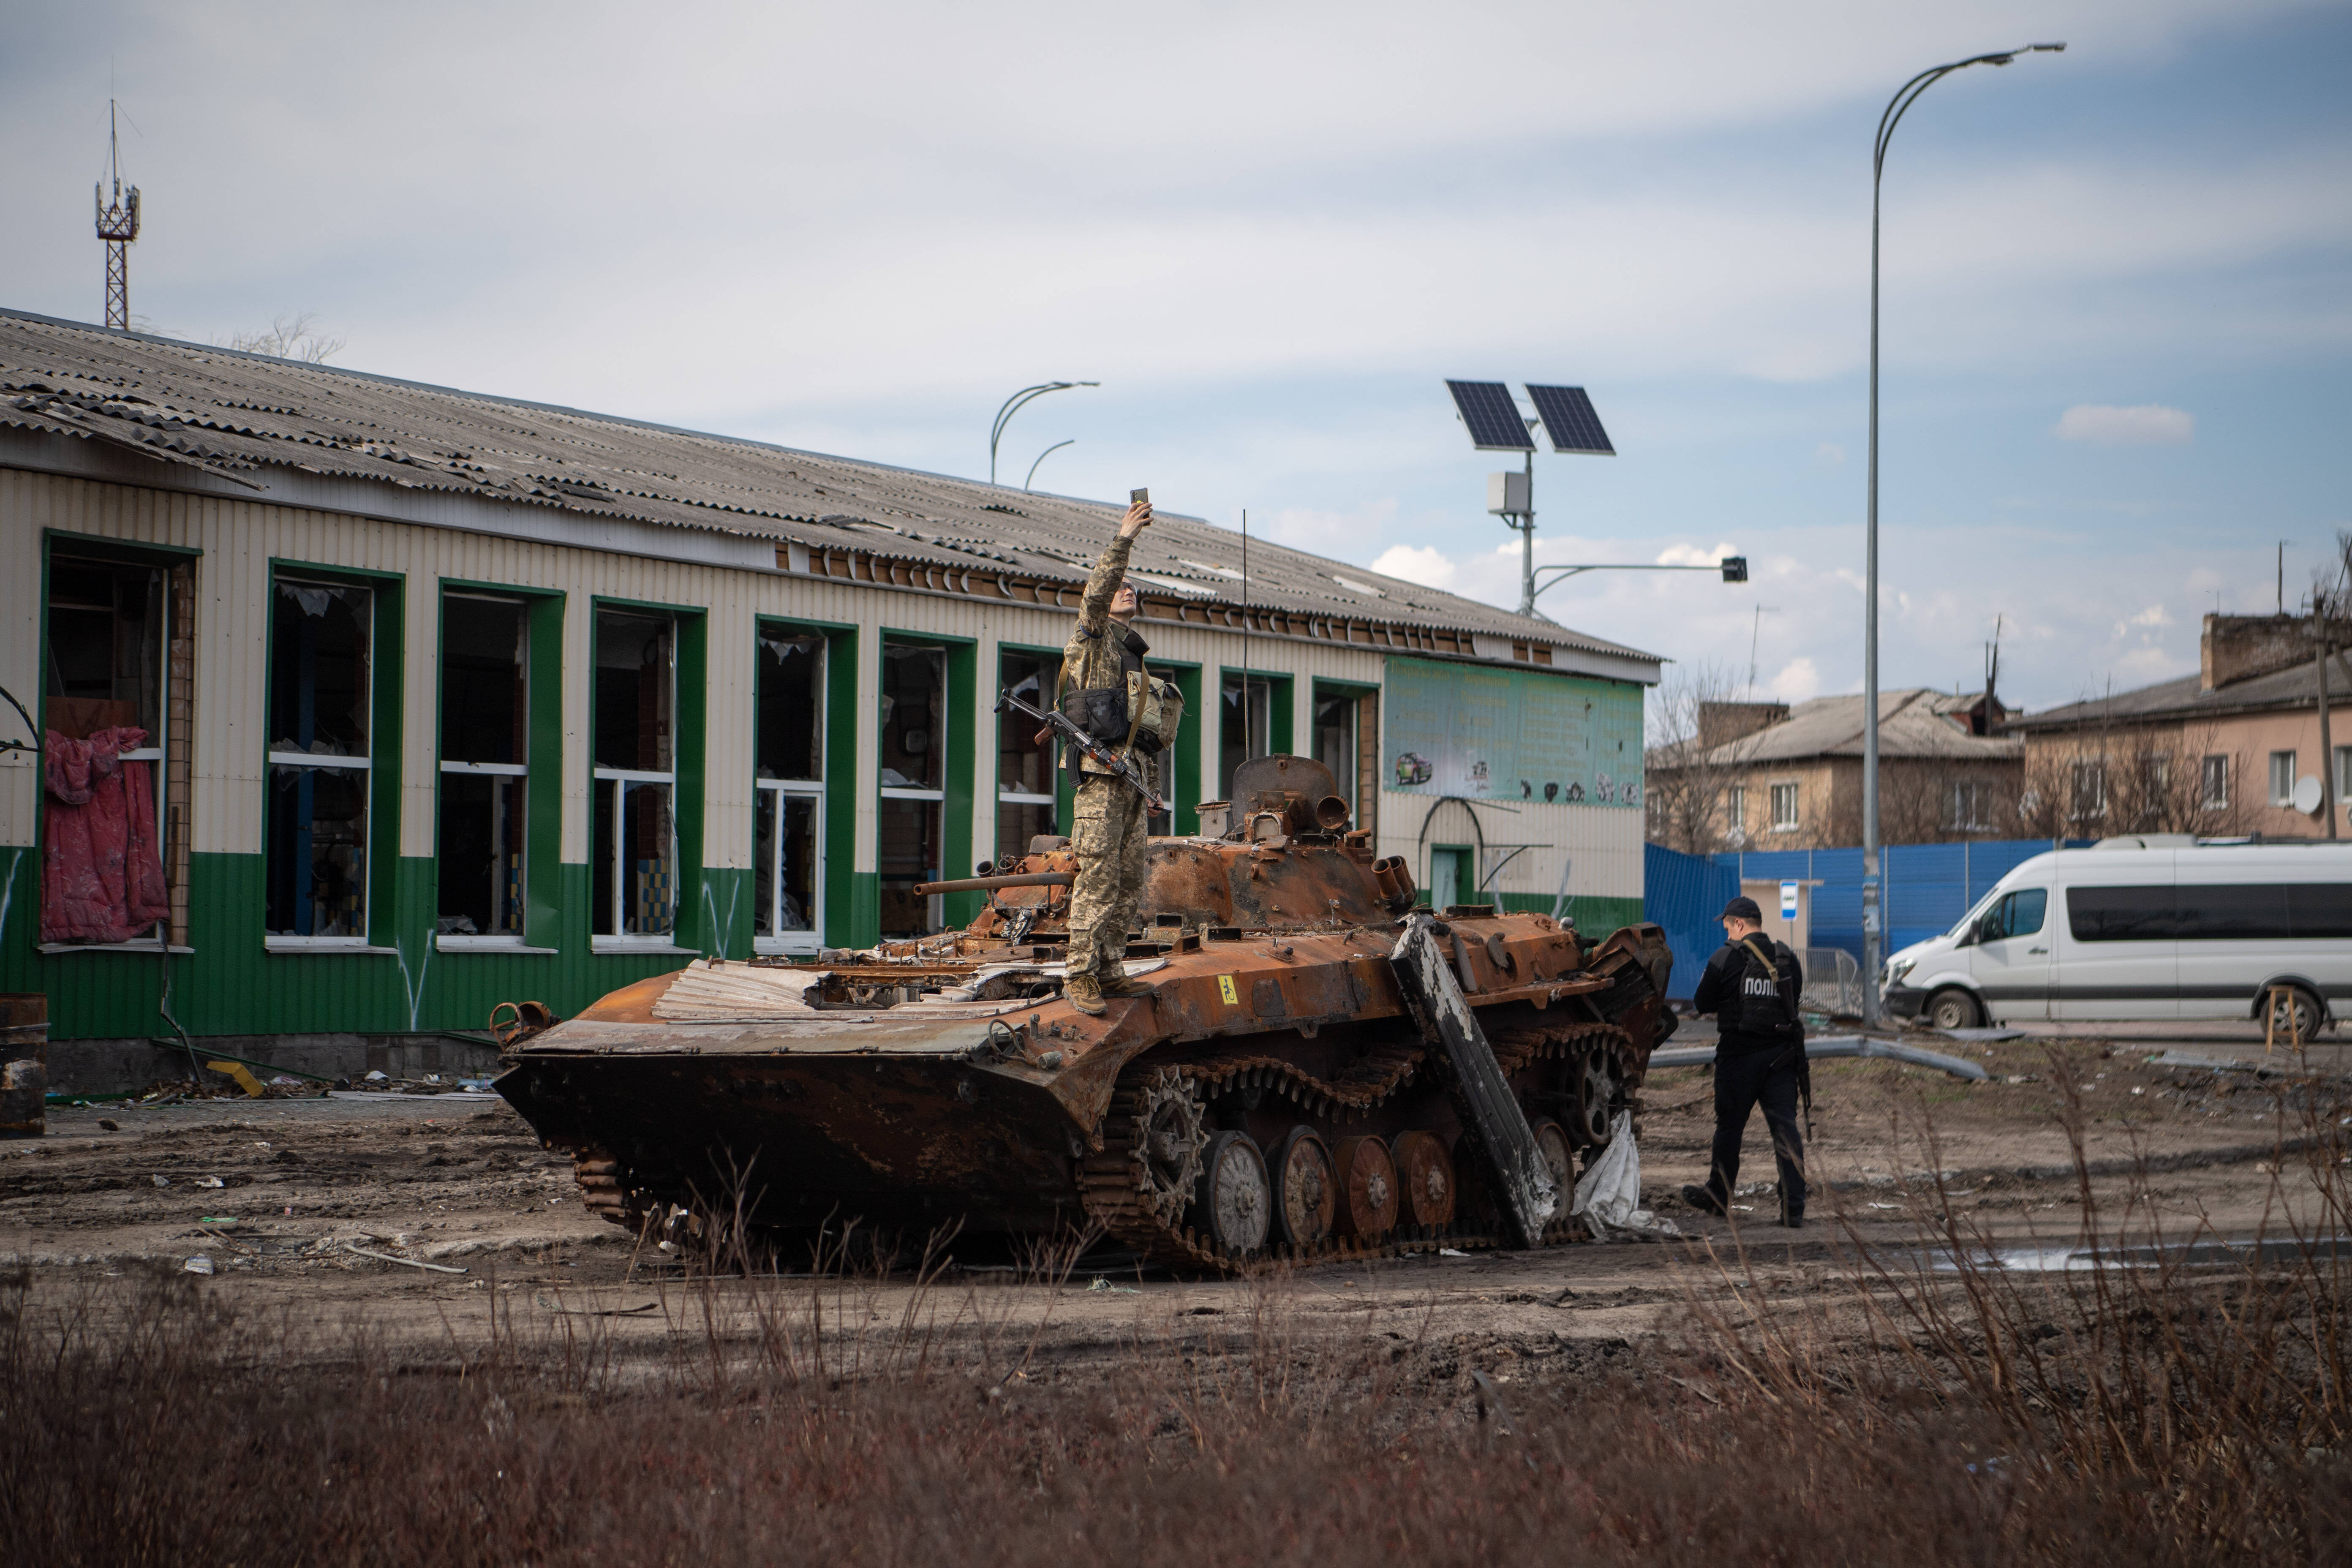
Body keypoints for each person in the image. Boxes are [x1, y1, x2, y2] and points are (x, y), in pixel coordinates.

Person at [1059, 495, 1155, 1015]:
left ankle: (1111, 966)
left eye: (1133, 587)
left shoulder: (1129, 653)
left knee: (1127, 879)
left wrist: (1151, 785)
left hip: (1132, 780)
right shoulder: (1093, 640)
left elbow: (1141, 731)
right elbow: (1096, 593)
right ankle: (1079, 974)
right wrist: (1124, 538)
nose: (1127, 589)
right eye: (1122, 586)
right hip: (1100, 777)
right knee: (1096, 876)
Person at [1682, 896, 1810, 1227]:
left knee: (1729, 1129)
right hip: (1781, 1058)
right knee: (1785, 1130)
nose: (1727, 935)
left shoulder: (1726, 957)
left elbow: (1702, 1002)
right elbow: (1792, 1001)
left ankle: (1718, 1199)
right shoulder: (1787, 958)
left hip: (1738, 1058)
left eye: (1728, 928)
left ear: (1739, 925)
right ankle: (1793, 1208)